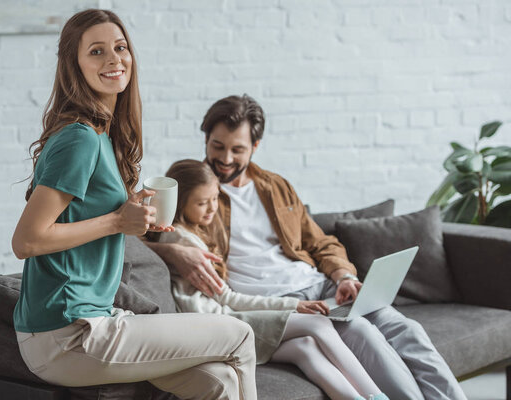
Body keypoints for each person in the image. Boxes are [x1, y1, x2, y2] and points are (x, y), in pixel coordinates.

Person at [146, 95, 468, 400]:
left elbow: (319, 241)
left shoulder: (276, 187)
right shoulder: (193, 190)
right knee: (362, 334)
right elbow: (140, 233)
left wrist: (343, 276)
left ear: (255, 147)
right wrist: (172, 252)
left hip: (321, 285)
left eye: (237, 149)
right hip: (276, 301)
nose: (226, 159)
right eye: (217, 146)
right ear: (206, 140)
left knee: (406, 329)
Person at [11, 11, 257, 400]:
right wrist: (115, 221)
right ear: (74, 67)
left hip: (90, 321)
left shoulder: (103, 137)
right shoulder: (81, 139)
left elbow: (93, 221)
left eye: (120, 47)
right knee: (240, 335)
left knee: (219, 384)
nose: (114, 59)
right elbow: (27, 240)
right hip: (67, 332)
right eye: (96, 51)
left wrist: (134, 218)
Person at [156, 159, 388, 400]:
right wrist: (294, 305)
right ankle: (378, 396)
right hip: (218, 324)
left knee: (305, 348)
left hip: (218, 320)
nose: (212, 208)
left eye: (215, 198)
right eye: (202, 203)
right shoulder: (185, 242)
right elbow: (227, 298)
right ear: (180, 202)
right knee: (319, 324)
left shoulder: (189, 233)